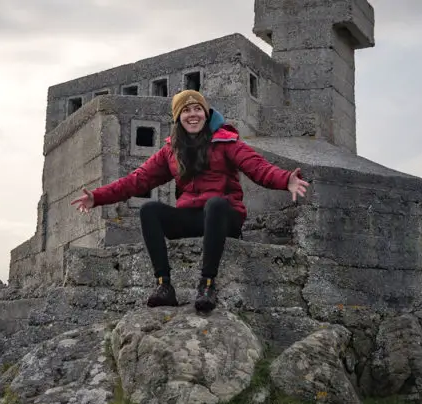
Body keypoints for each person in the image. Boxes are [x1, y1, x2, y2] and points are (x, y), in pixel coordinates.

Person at [70, 90, 309, 312]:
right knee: (149, 209)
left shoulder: (226, 141)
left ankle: (207, 284)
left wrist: (285, 179)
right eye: (186, 110)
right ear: (178, 117)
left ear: (205, 113)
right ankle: (164, 286)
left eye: (197, 109)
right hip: (192, 217)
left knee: (215, 203)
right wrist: (97, 197)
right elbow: (137, 180)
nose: (192, 114)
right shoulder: (171, 151)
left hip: (224, 217)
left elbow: (258, 167)